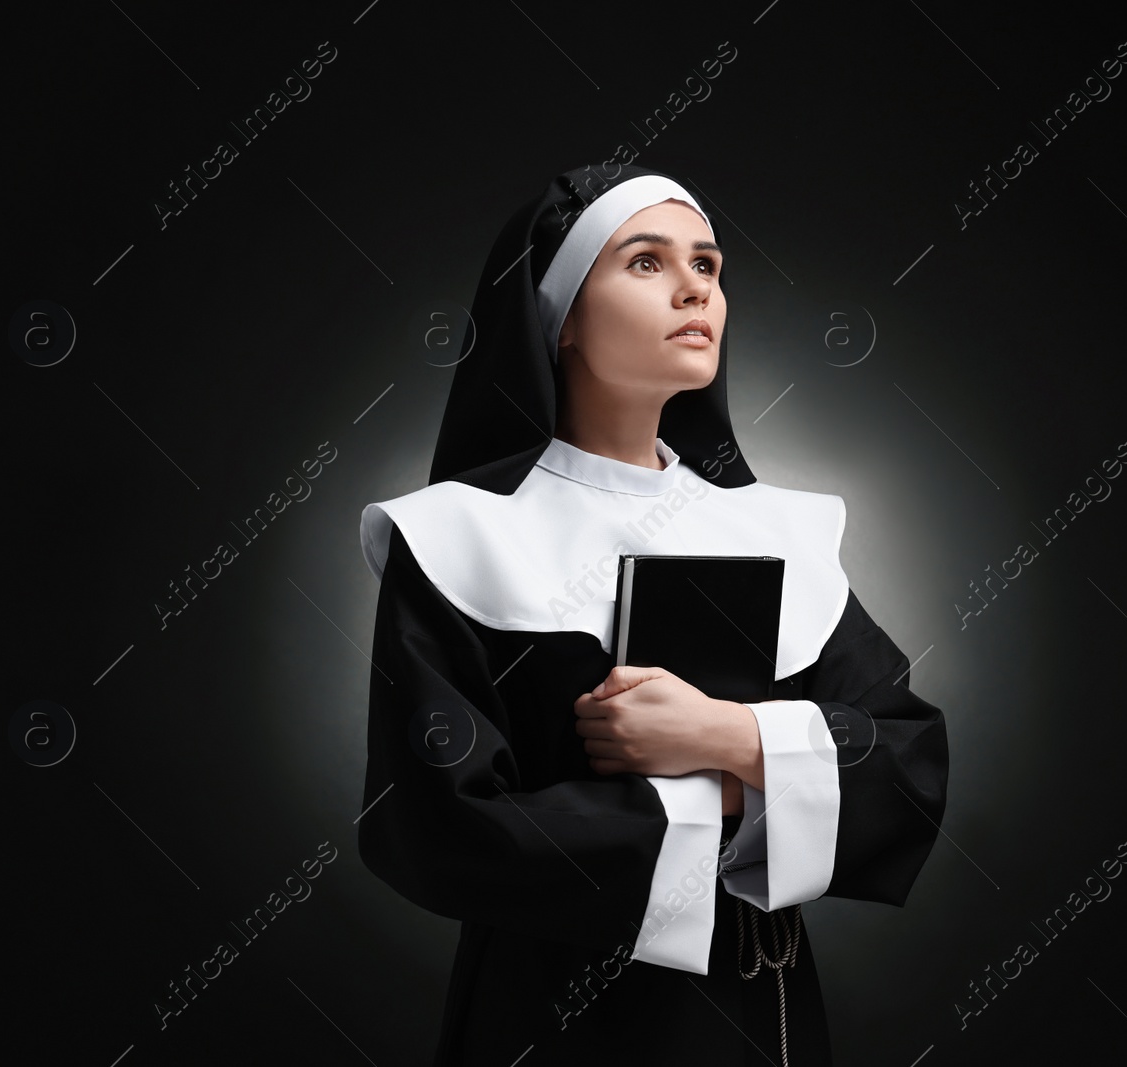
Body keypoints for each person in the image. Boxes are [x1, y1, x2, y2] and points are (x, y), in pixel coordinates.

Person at [355, 162, 949, 1065]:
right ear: (558, 320)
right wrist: (734, 797)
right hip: (548, 1022)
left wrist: (725, 734)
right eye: (645, 262)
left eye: (707, 266)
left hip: (762, 1019)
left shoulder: (776, 529)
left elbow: (906, 764)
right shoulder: (456, 536)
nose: (693, 290)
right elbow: (433, 825)